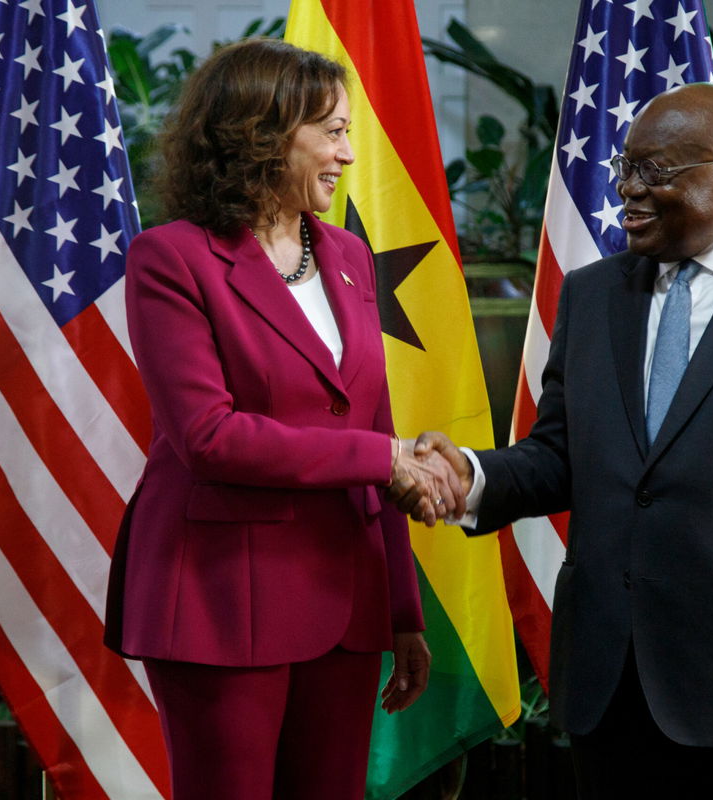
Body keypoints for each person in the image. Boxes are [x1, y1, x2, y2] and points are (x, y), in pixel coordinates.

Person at [411, 83, 713, 799]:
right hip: (613, 698)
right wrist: (470, 476)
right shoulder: (590, 295)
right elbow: (559, 456)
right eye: (624, 169)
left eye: (653, 173)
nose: (626, 191)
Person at [103, 38, 463, 800]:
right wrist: (384, 459)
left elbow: (375, 420)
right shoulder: (171, 259)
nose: (347, 154)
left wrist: (403, 610)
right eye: (331, 132)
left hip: (349, 598)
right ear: (263, 135)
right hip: (221, 594)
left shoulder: (347, 256)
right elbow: (209, 436)